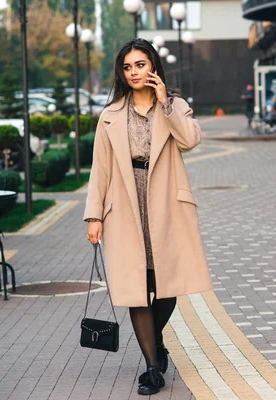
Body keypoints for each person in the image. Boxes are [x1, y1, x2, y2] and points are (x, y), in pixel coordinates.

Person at [84, 38, 213, 396]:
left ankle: (153, 342)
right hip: (125, 205)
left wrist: (165, 103)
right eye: (127, 67)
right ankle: (153, 368)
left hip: (165, 205)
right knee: (137, 292)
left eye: (140, 65)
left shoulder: (174, 106)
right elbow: (100, 169)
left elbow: (190, 141)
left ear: (153, 66)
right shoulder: (110, 115)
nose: (134, 72)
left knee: (167, 286)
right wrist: (94, 216)